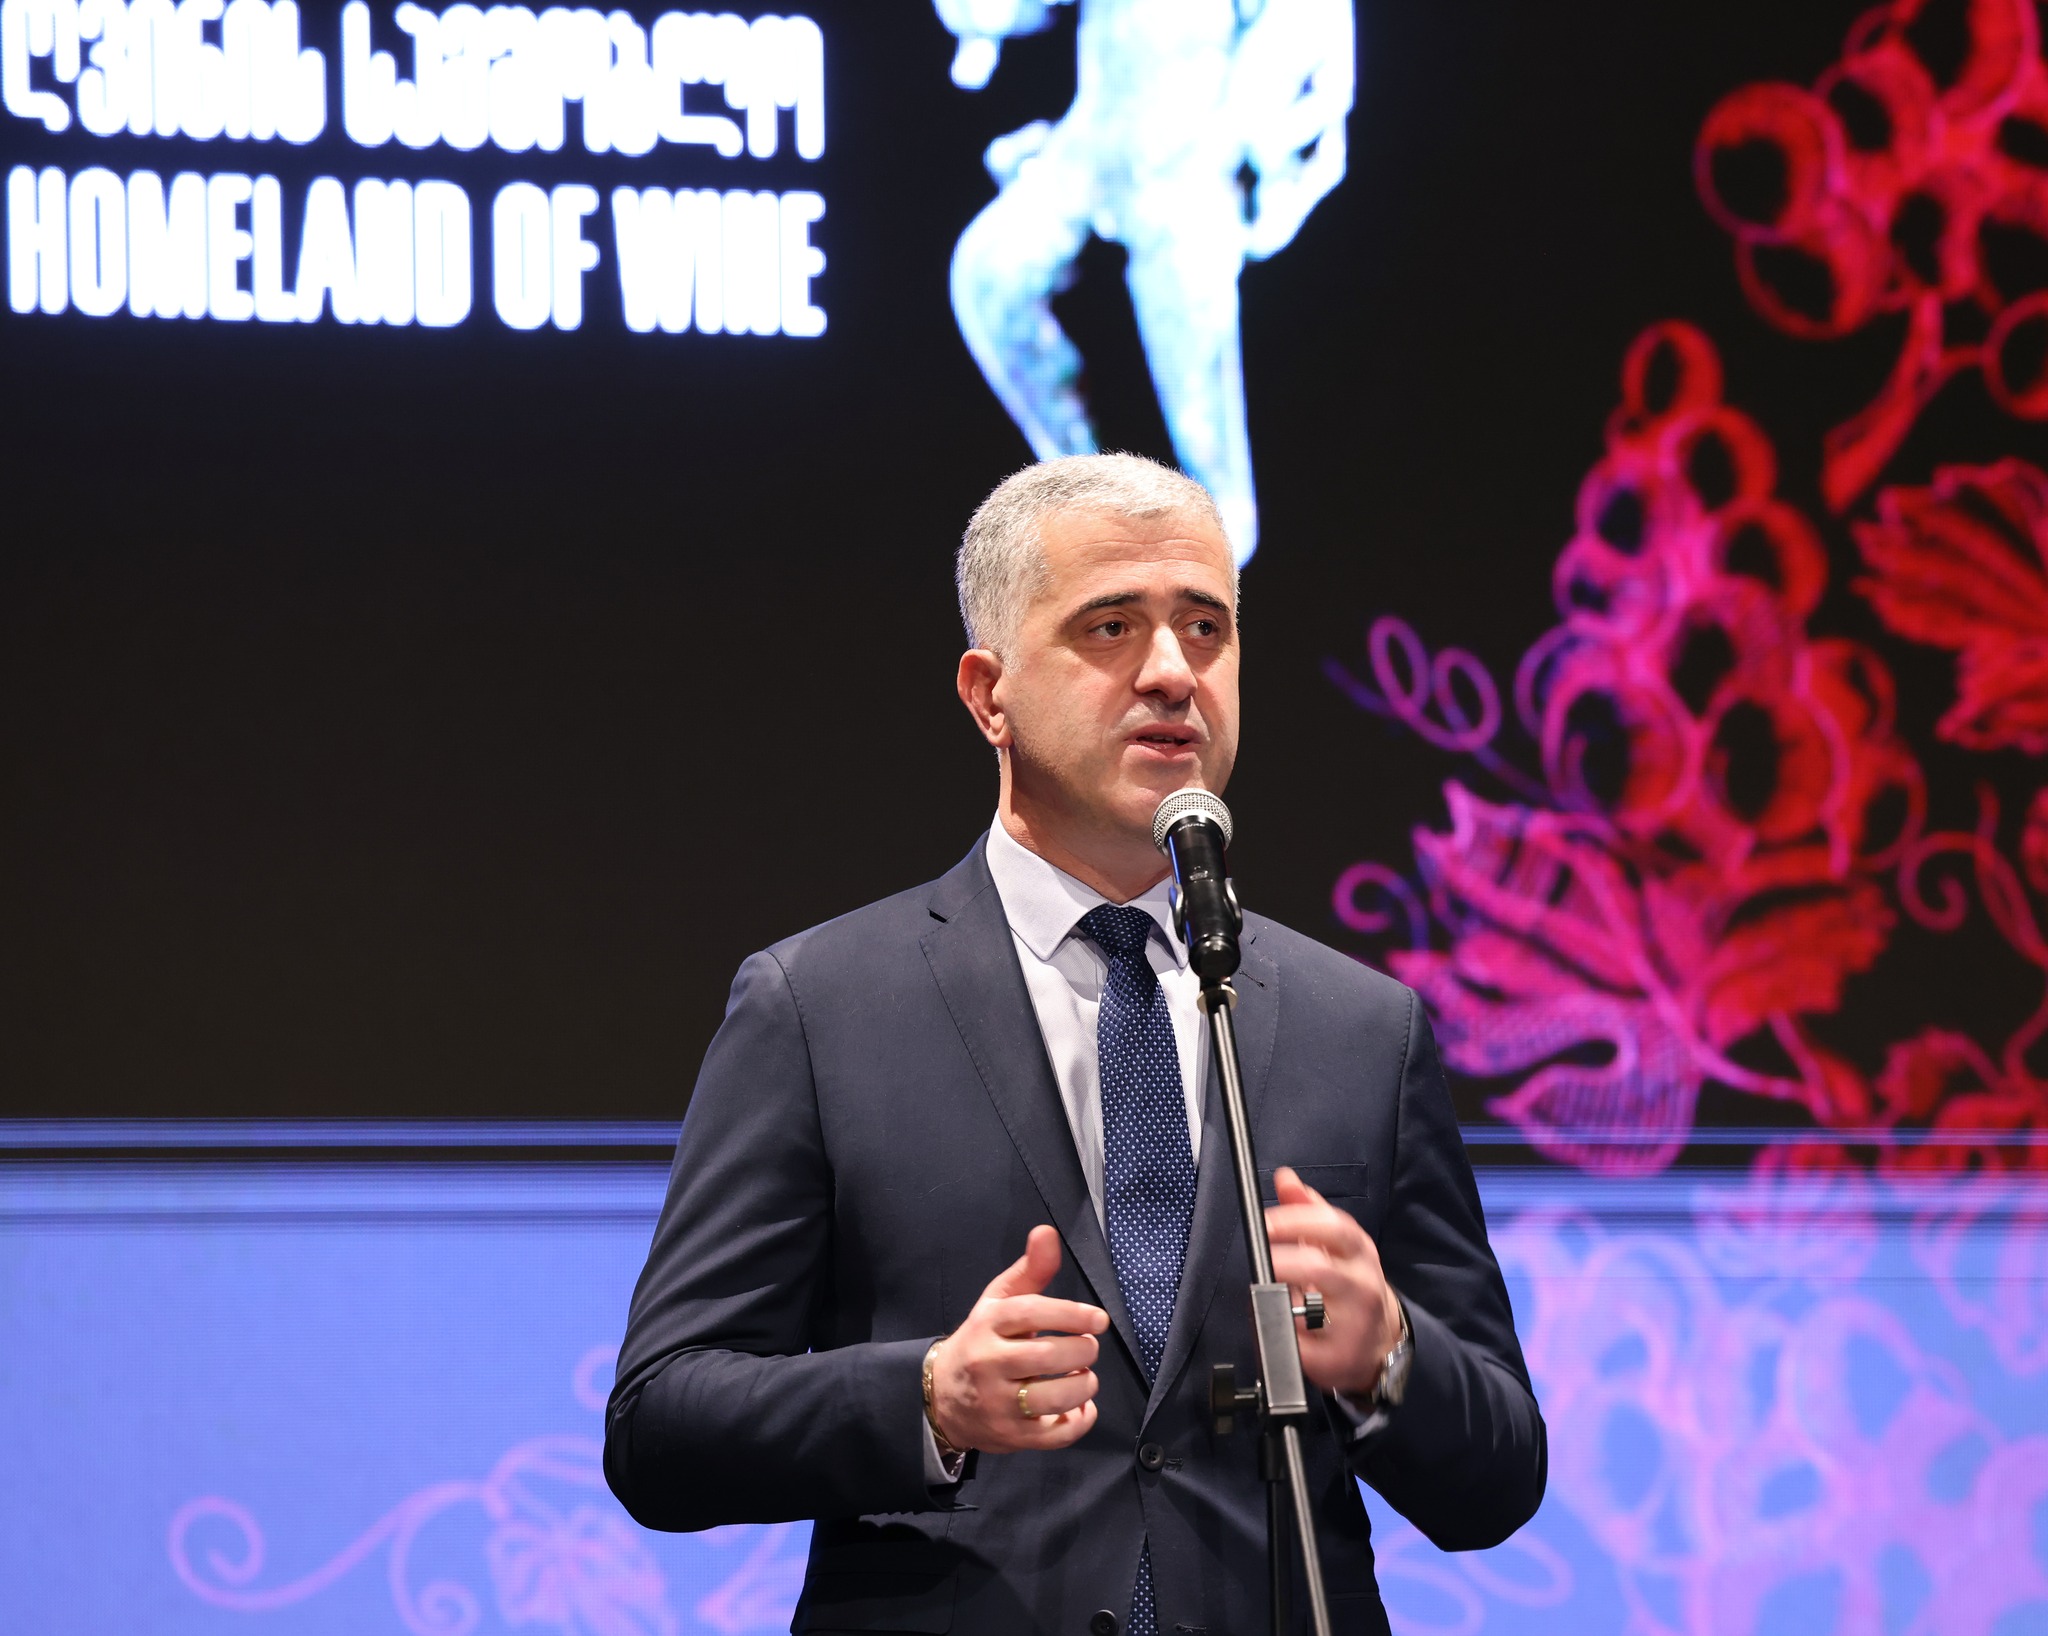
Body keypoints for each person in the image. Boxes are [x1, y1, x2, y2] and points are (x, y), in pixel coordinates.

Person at [605, 454, 1545, 1635]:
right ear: (987, 693)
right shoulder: (817, 1006)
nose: (1171, 672)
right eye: (1110, 627)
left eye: (1204, 627)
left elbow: (1498, 1478)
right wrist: (927, 1398)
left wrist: (1387, 1355)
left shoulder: (1360, 1027)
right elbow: (661, 1424)